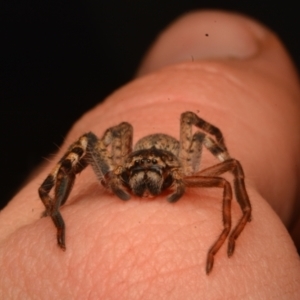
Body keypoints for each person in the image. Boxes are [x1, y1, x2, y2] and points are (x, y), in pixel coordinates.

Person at [0, 11, 299, 299]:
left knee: (207, 141)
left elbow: (230, 167)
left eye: (154, 174)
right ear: (125, 166)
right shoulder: (117, 165)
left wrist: (237, 220)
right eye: (137, 174)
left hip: (172, 154)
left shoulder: (186, 163)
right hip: (134, 152)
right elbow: (86, 148)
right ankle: (53, 207)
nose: (146, 181)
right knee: (88, 142)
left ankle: (238, 223)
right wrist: (51, 201)